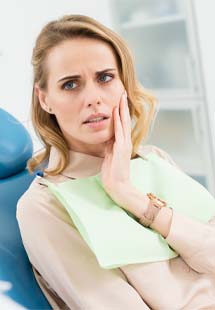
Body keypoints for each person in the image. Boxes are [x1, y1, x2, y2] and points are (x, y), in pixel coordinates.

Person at [16, 14, 215, 310]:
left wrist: (132, 197)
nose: (93, 98)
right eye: (71, 85)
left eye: (105, 77)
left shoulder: (156, 159)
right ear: (44, 99)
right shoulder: (45, 206)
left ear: (123, 84)